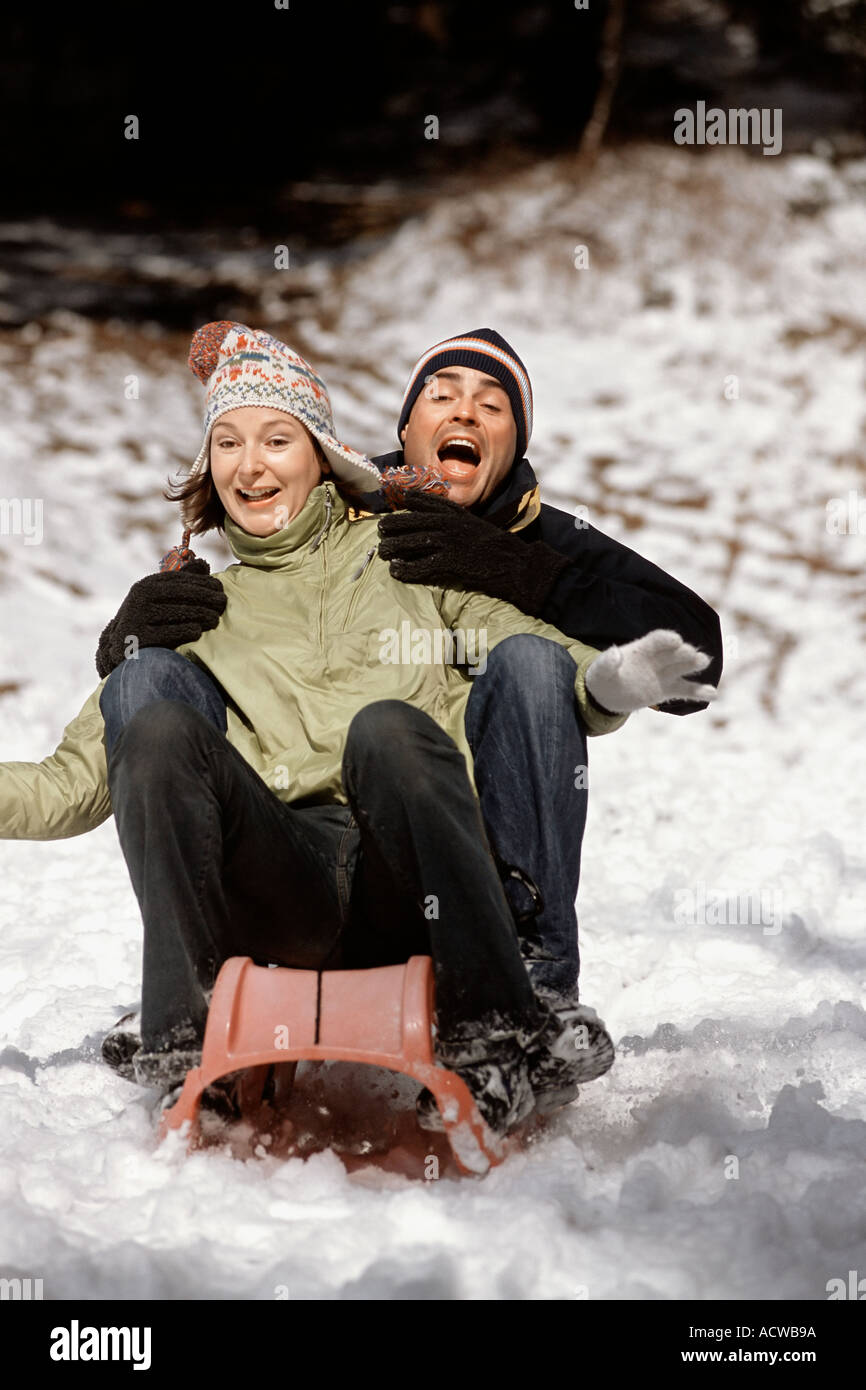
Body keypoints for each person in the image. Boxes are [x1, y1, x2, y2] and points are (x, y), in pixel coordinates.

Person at [0, 323, 718, 1140]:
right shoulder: (200, 608)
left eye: (277, 439)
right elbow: (68, 785)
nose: (250, 463)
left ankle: (502, 1026)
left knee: (387, 729)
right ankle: (184, 1029)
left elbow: (535, 661)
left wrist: (611, 680)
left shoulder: (410, 557)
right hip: (285, 891)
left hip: (417, 886)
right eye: (227, 443)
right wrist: (130, 656)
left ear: (325, 459)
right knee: (154, 713)